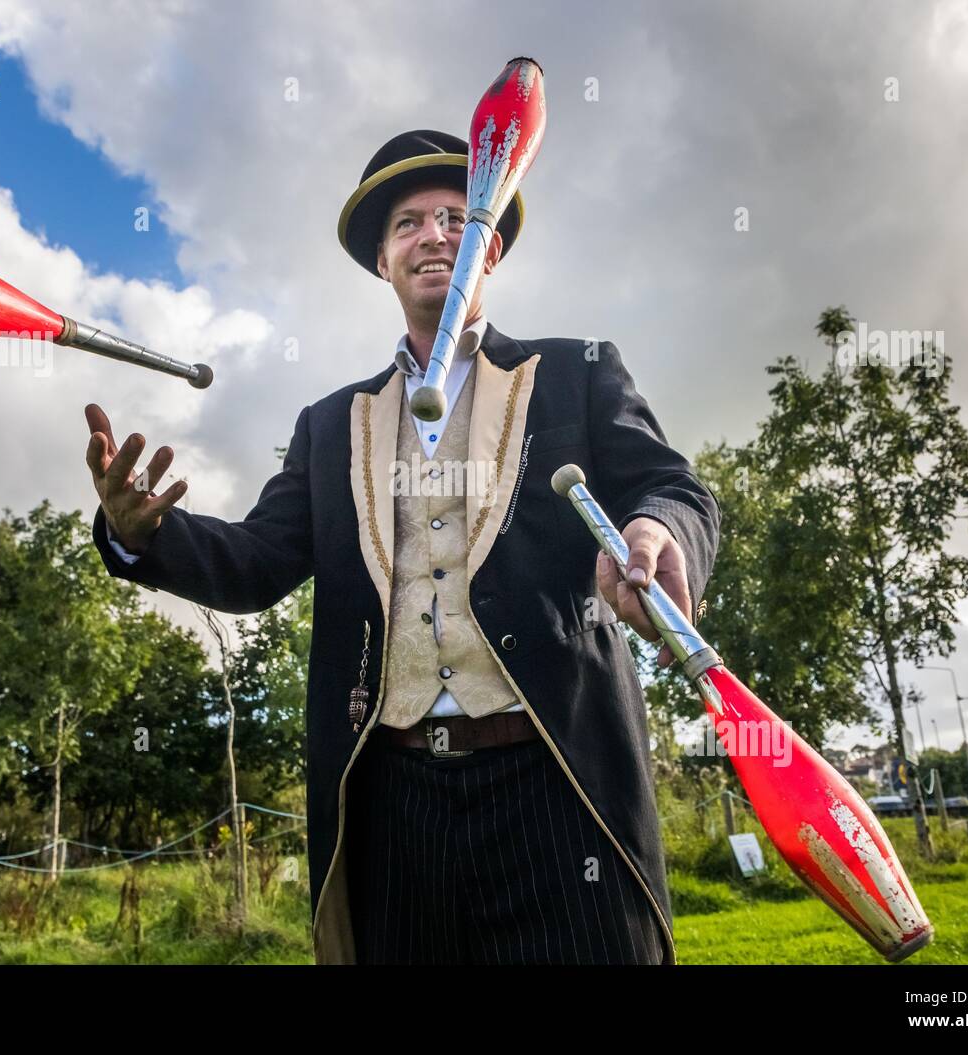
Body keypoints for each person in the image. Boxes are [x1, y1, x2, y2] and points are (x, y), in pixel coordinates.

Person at [84, 130, 720, 964]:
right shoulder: (329, 424)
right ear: (382, 260)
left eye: (458, 218)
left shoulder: (575, 372)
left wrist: (656, 529)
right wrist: (146, 534)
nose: (434, 236)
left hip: (557, 786)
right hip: (391, 801)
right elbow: (255, 562)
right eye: (410, 223)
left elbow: (672, 487)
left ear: (489, 248)